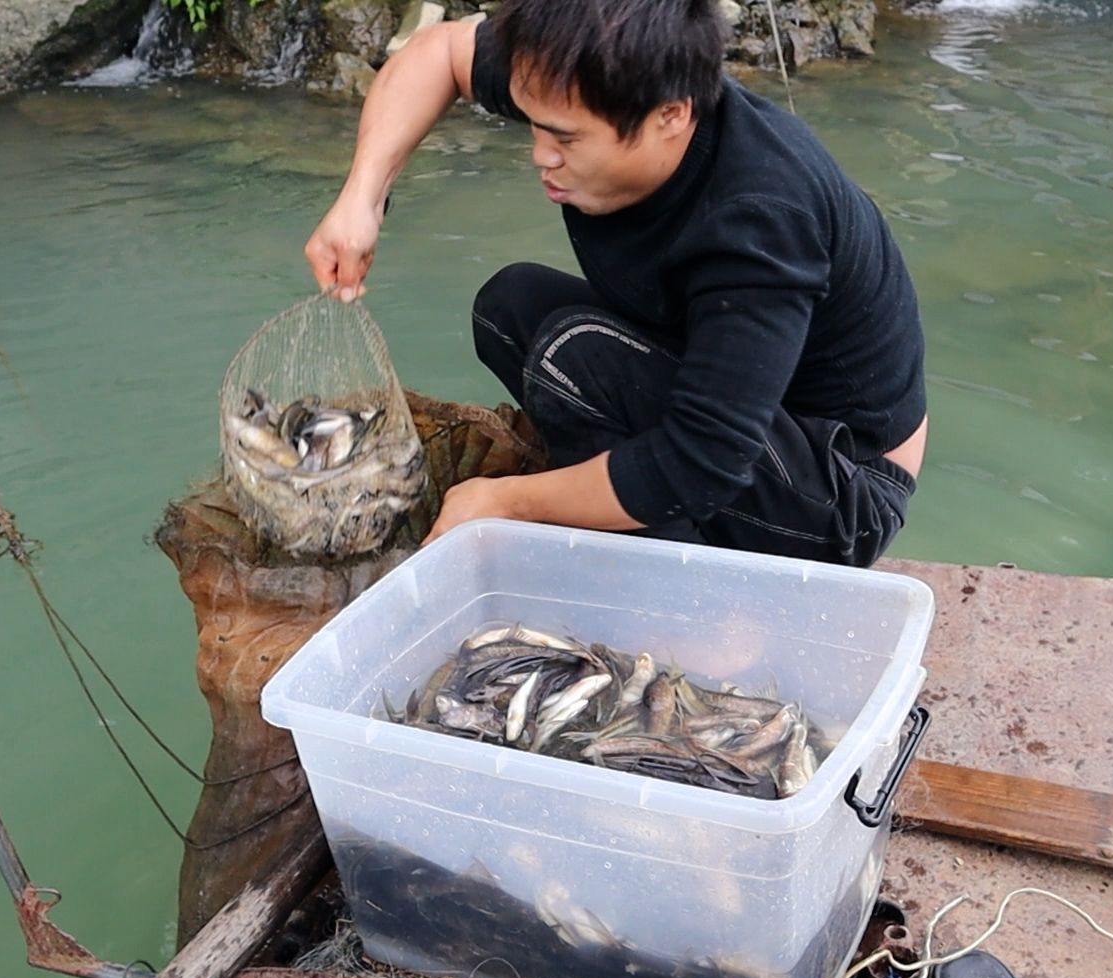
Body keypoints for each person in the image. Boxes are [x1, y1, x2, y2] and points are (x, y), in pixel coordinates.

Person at [304, 0, 928, 567]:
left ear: (671, 116)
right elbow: (438, 52)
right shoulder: (582, 71)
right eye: (533, 125)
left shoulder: (758, 220)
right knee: (509, 306)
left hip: (843, 490)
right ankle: (624, 525)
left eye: (566, 137)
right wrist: (362, 197)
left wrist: (510, 502)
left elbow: (702, 462)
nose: (540, 155)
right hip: (749, 414)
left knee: (571, 352)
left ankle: (693, 602)